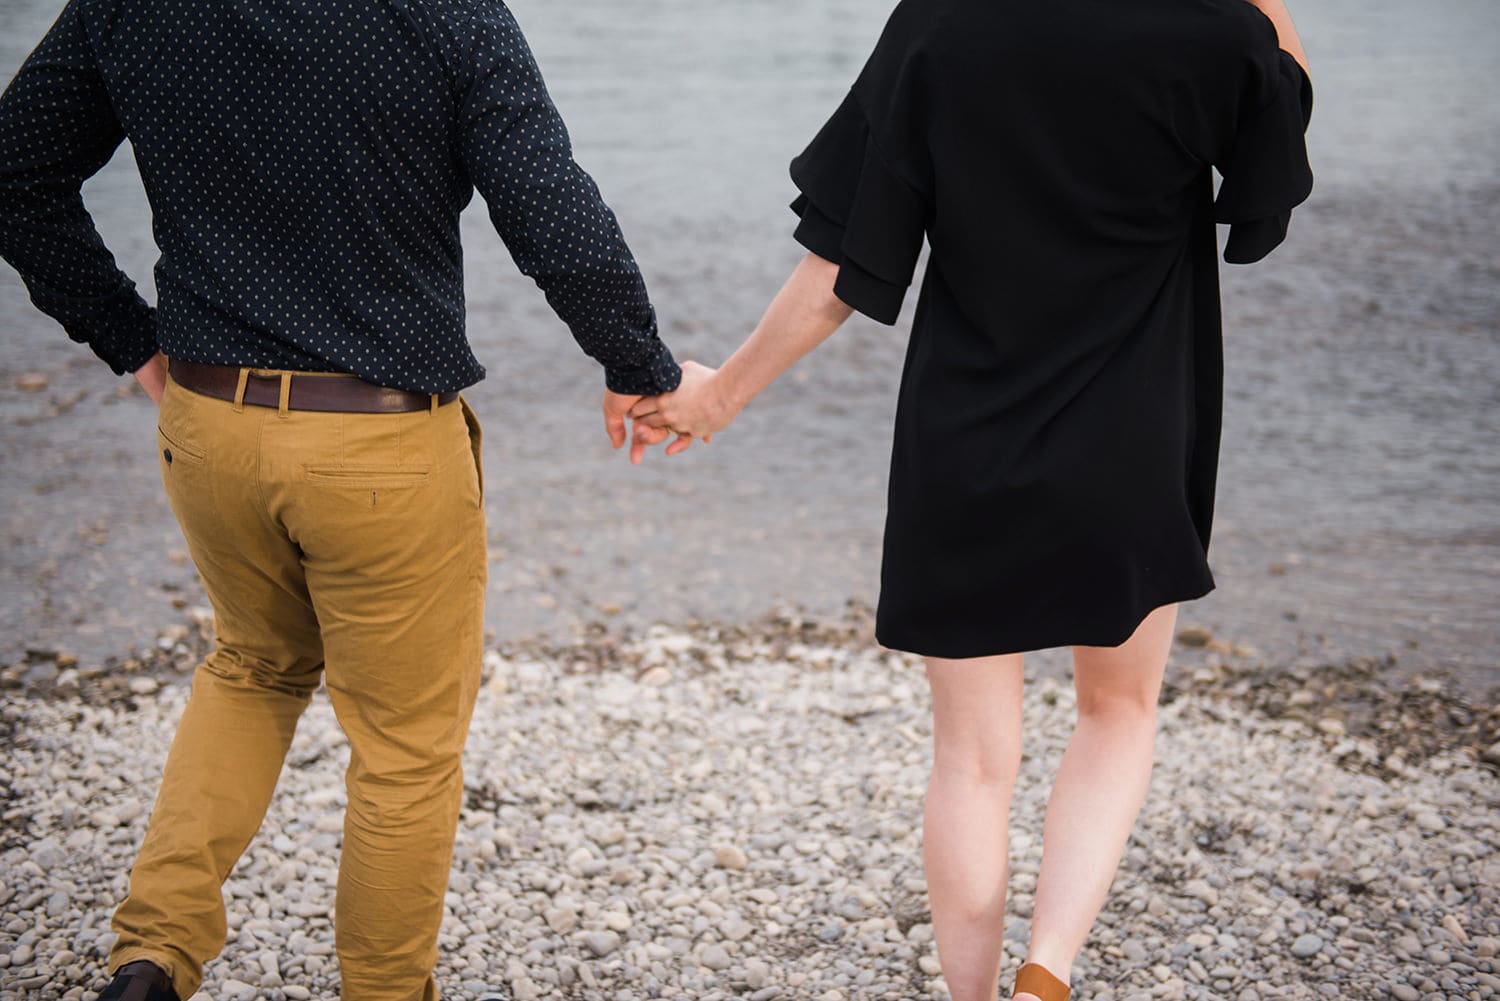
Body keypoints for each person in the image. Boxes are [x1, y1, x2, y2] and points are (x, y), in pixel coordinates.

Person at [628, 0, 1312, 998]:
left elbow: (842, 264)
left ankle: (976, 995)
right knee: (1116, 712)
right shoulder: (1212, 28)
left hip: (968, 438)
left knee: (972, 758)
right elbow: (1275, 159)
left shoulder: (941, 22)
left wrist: (720, 394)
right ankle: (1050, 970)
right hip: (1135, 433)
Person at [0, 0, 679, 997]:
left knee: (251, 667)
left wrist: (131, 339)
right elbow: (547, 206)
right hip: (382, 442)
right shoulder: (448, 10)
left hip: (211, 422)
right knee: (404, 751)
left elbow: (15, 174)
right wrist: (637, 362)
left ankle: (151, 956)